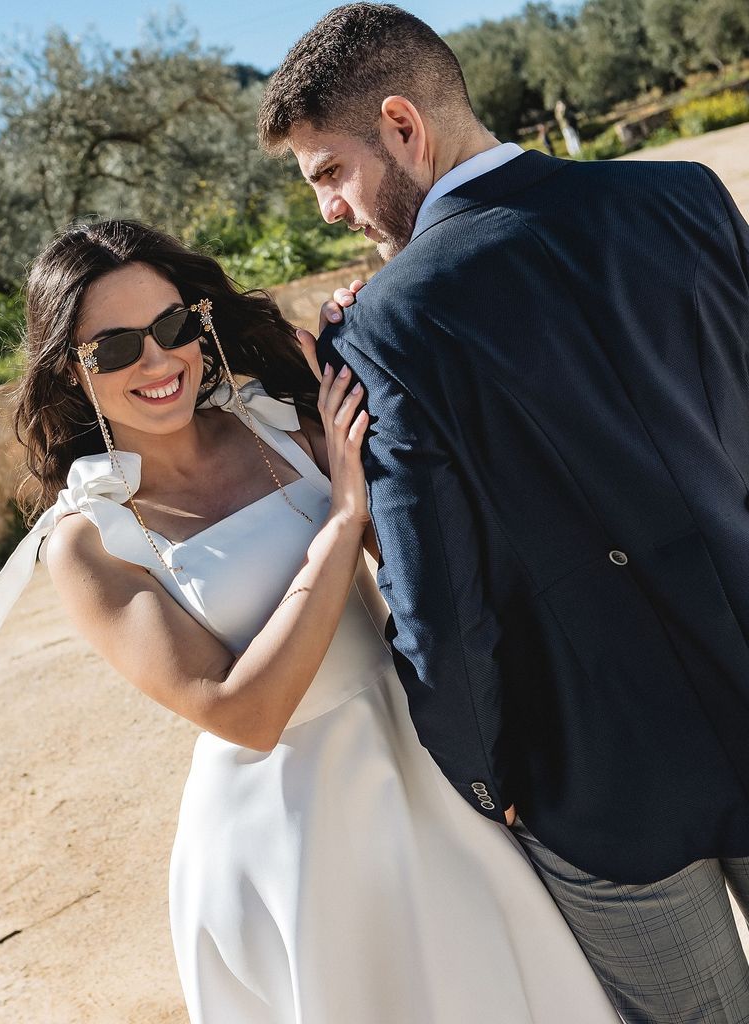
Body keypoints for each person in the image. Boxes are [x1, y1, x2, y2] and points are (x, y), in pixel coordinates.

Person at [0, 220, 617, 1023]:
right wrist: (340, 520)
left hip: (428, 758)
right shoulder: (90, 540)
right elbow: (243, 711)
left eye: (174, 327)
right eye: (115, 348)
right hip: (292, 840)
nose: (158, 360)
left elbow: (432, 567)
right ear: (71, 372)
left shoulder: (279, 419)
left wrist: (370, 347)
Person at [259, 4, 749, 1023]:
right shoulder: (685, 199)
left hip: (599, 780)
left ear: (402, 126)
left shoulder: (385, 327)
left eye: (327, 174)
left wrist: (483, 781)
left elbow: (436, 596)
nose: (329, 212)